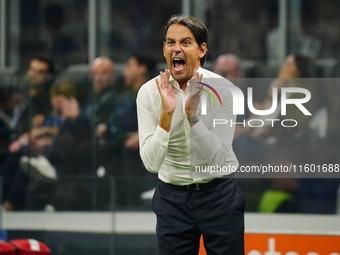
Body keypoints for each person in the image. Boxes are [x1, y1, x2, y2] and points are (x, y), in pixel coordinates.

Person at [137, 15, 244, 254]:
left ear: (202, 50)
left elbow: (217, 160)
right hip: (171, 198)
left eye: (185, 42)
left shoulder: (225, 91)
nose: (176, 48)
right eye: (170, 42)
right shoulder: (148, 93)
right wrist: (167, 116)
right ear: (164, 48)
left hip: (219, 195)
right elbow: (151, 163)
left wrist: (192, 119)